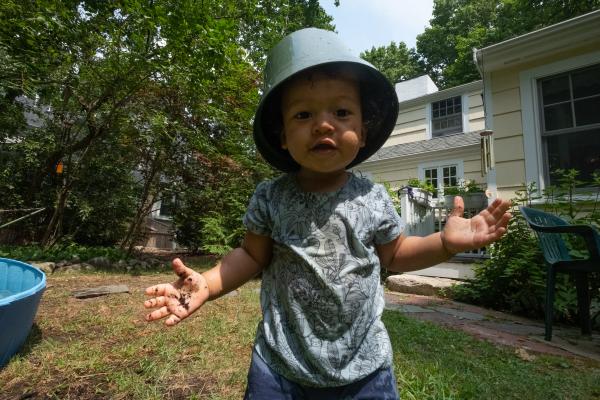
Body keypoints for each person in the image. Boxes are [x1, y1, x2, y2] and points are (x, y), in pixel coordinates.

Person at [143, 28, 511, 399]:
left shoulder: (373, 197)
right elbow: (252, 255)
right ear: (283, 136)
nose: (323, 124)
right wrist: (207, 283)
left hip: (365, 369)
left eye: (341, 111)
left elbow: (395, 255)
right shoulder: (270, 197)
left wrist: (444, 244)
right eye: (303, 114)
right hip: (280, 368)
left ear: (363, 133)